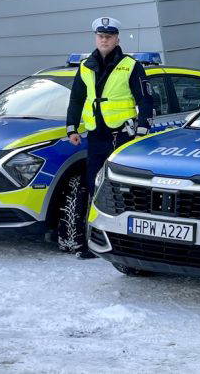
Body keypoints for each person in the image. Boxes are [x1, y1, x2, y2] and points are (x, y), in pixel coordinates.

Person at [63, 17, 154, 258]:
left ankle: (128, 243)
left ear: (117, 39)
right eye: (101, 36)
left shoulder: (130, 65)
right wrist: (72, 128)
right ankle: (88, 242)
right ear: (96, 38)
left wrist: (142, 129)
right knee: (93, 184)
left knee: (122, 187)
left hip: (122, 135)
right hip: (96, 135)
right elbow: (76, 99)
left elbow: (145, 100)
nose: (104, 40)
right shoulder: (85, 66)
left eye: (109, 36)